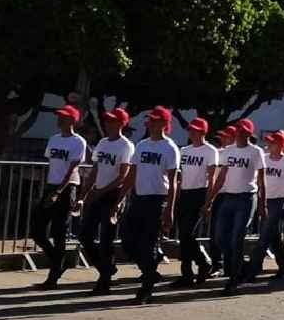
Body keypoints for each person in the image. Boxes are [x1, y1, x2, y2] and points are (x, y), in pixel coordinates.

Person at [119, 106, 179, 304]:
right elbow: (132, 175)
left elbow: (173, 181)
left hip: (157, 200)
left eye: (155, 120)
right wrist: (119, 199)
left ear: (164, 123)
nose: (150, 124)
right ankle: (150, 272)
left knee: (149, 244)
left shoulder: (169, 148)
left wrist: (169, 209)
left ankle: (146, 288)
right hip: (139, 199)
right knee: (127, 240)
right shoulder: (142, 145)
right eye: (149, 121)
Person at [76, 108, 133, 295]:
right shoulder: (102, 143)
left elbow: (123, 176)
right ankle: (106, 269)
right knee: (85, 234)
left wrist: (104, 191)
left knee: (106, 239)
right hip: (98, 193)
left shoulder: (126, 146)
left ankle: (104, 281)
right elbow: (95, 169)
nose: (108, 124)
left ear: (121, 124)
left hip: (112, 194)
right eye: (107, 121)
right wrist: (84, 193)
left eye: (112, 121)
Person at [31, 105, 87, 290]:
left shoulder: (78, 142)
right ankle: (57, 259)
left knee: (59, 231)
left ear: (72, 120)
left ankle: (53, 275)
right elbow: (51, 164)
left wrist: (59, 191)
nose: (60, 120)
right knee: (37, 229)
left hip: (67, 186)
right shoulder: (54, 139)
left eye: (64, 117)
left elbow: (73, 169)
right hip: (51, 185)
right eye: (59, 117)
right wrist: (47, 188)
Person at [210, 118, 266, 293]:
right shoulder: (228, 150)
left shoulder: (255, 152)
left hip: (246, 198)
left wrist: (262, 204)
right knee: (219, 237)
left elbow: (261, 179)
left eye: (242, 131)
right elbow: (221, 176)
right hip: (228, 197)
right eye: (237, 131)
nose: (239, 134)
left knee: (237, 238)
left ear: (249, 134)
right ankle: (243, 266)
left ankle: (233, 279)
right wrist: (210, 198)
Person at [169, 117, 218, 288]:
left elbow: (212, 178)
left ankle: (203, 262)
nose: (192, 133)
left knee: (188, 234)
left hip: (199, 193)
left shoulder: (210, 151)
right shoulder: (185, 150)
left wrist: (208, 201)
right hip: (185, 193)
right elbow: (180, 174)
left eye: (195, 130)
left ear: (203, 132)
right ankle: (189, 272)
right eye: (190, 130)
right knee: (183, 235)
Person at [246, 130, 284, 281]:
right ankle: (283, 265)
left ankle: (253, 268)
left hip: (278, 200)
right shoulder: (264, 159)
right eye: (268, 142)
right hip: (263, 199)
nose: (268, 145)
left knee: (264, 236)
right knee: (272, 234)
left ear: (281, 145)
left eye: (272, 142)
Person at [206, 125, 236, 277]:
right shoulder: (217, 153)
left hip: (230, 195)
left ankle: (229, 264)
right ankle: (216, 264)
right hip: (218, 194)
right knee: (215, 232)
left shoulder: (235, 154)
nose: (223, 138)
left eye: (227, 136)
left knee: (228, 232)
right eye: (223, 136)